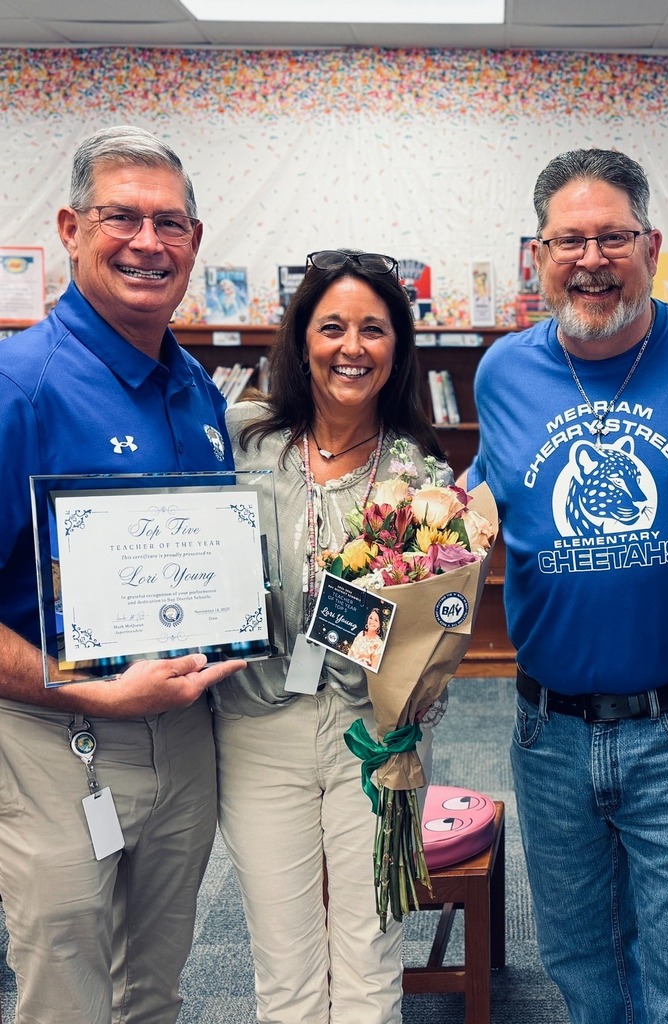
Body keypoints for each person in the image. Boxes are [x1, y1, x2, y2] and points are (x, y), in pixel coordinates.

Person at [466, 148, 668, 1023]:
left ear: (652, 245)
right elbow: (488, 498)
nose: (591, 260)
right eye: (569, 241)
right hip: (545, 730)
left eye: (612, 238)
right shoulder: (501, 372)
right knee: (579, 961)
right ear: (539, 256)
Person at [0, 125, 245, 1024]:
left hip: (183, 736)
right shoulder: (17, 386)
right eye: (122, 217)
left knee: (156, 983)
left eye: (170, 223)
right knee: (67, 989)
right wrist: (91, 694)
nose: (148, 242)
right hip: (56, 738)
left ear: (195, 241)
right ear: (70, 228)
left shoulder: (198, 391)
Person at [212, 248, 451, 1024]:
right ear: (301, 338)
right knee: (283, 963)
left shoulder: (421, 475)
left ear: (398, 348)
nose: (353, 347)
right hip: (257, 726)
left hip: (370, 732)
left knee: (371, 955)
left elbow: (435, 626)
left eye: (374, 330)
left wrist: (415, 704)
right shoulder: (243, 440)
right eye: (333, 327)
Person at [349, 606, 385, 671]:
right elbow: (350, 651)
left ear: (379, 624)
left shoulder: (379, 644)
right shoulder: (361, 633)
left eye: (376, 620)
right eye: (371, 618)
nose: (372, 621)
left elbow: (373, 669)